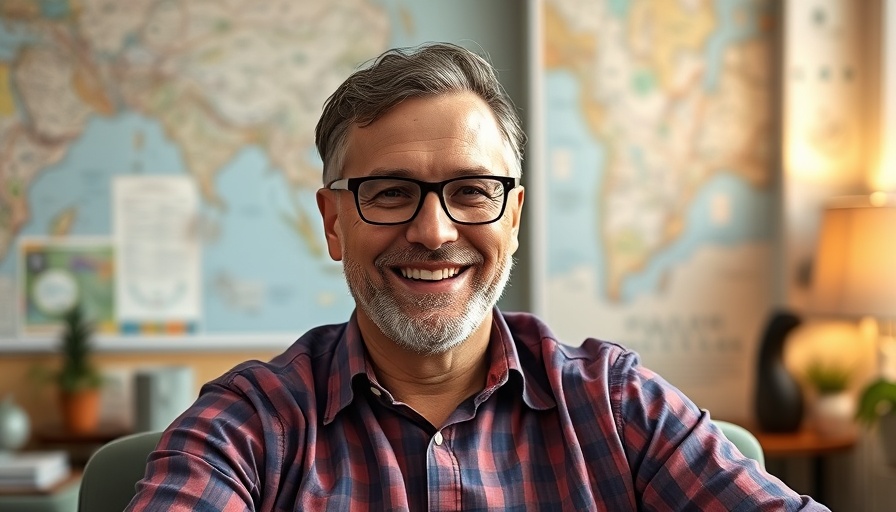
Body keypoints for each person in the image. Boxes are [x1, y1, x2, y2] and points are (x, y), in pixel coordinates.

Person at [126, 42, 828, 511]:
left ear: (514, 216)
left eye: (471, 190)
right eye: (391, 191)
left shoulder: (618, 406)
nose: (434, 232)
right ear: (334, 221)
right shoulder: (248, 427)